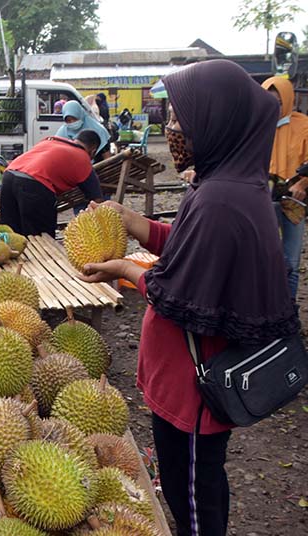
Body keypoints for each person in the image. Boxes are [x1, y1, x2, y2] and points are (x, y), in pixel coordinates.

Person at [78, 60, 299, 536]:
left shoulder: (224, 199)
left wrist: (121, 268)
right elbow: (188, 246)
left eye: (180, 119)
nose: (171, 128)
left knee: (195, 500)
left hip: (195, 389)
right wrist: (131, 221)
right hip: (180, 382)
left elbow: (177, 293)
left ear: (215, 122)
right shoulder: (221, 184)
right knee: (186, 489)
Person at [0, 131, 103, 237]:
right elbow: (97, 201)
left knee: (11, 236)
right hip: (34, 184)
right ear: (93, 151)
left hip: (9, 177)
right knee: (41, 239)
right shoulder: (83, 158)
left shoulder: (51, 141)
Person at [261, 76, 308, 298]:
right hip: (261, 200)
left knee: (291, 260)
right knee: (261, 258)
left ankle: (289, 313)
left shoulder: (303, 126)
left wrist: (302, 183)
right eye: (269, 102)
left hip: (293, 201)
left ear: (288, 100)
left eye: (279, 102)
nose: (274, 108)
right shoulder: (255, 126)